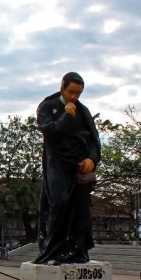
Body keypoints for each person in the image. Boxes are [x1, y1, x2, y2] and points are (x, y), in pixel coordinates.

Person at [34, 72, 101, 265]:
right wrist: (66, 116)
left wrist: (91, 159)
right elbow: (50, 131)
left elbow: (94, 139)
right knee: (58, 203)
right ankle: (52, 251)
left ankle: (78, 251)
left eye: (78, 93)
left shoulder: (83, 111)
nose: (74, 97)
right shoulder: (48, 106)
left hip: (79, 168)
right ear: (62, 87)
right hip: (57, 164)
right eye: (71, 92)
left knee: (81, 211)